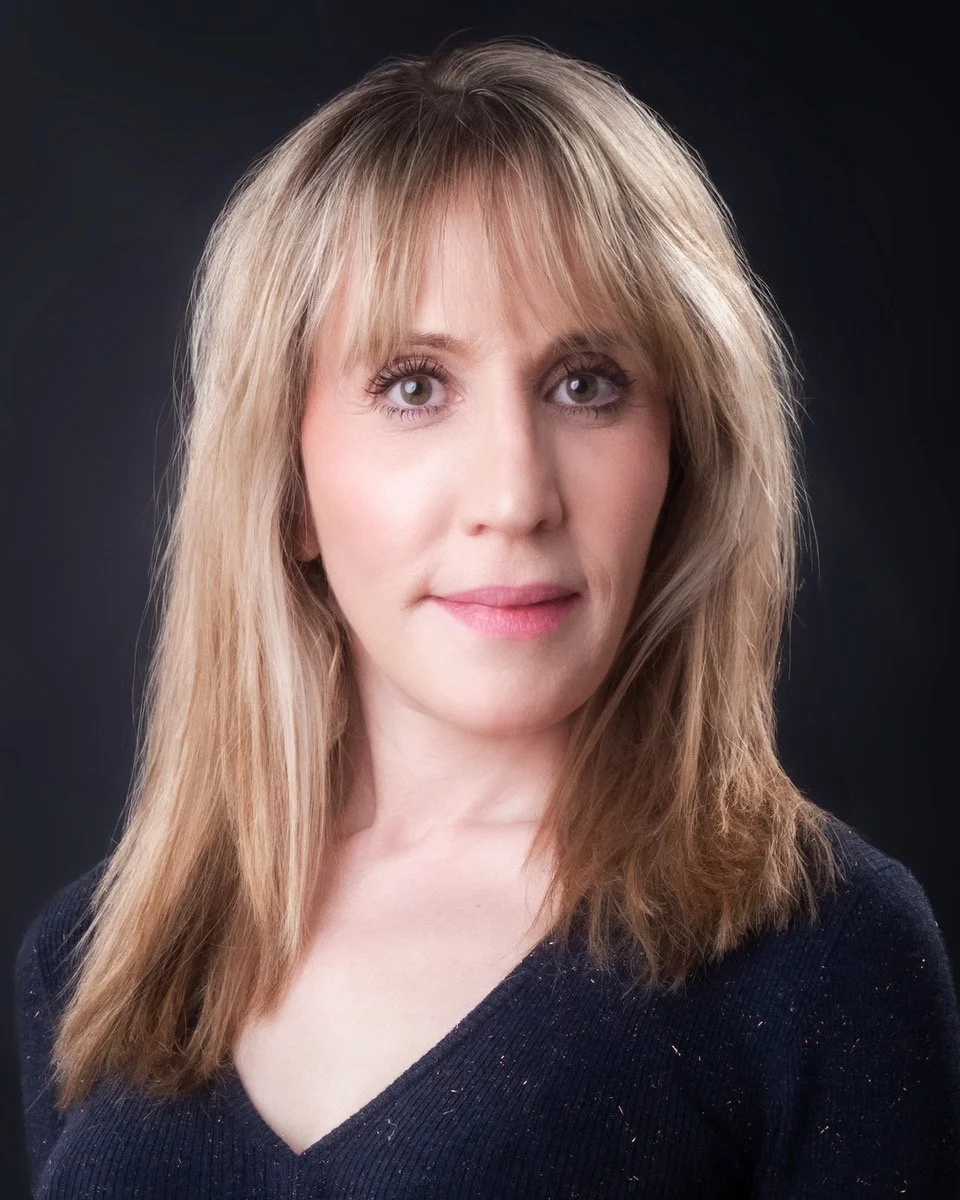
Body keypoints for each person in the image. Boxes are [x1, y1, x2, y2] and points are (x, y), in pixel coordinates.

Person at [15, 36, 960, 1199]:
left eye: (587, 384)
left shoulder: (826, 956)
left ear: (681, 456)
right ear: (289, 486)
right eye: (414, 385)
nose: (515, 495)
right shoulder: (98, 959)